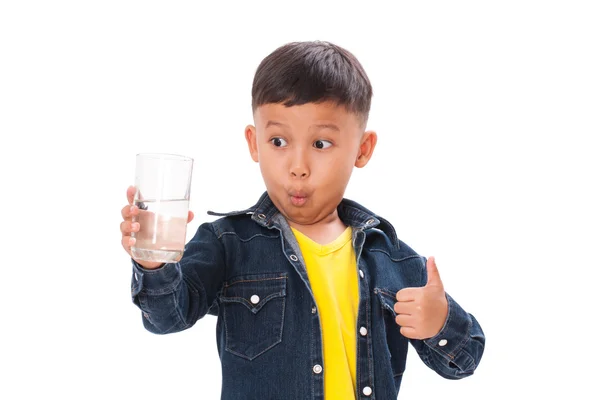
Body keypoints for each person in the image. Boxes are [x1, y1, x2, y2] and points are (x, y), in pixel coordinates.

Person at [120, 40, 485, 400]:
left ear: (362, 149)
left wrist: (440, 322)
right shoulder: (228, 243)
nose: (298, 168)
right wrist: (153, 262)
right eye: (278, 141)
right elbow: (166, 317)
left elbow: (466, 359)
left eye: (320, 144)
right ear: (254, 142)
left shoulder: (391, 258)